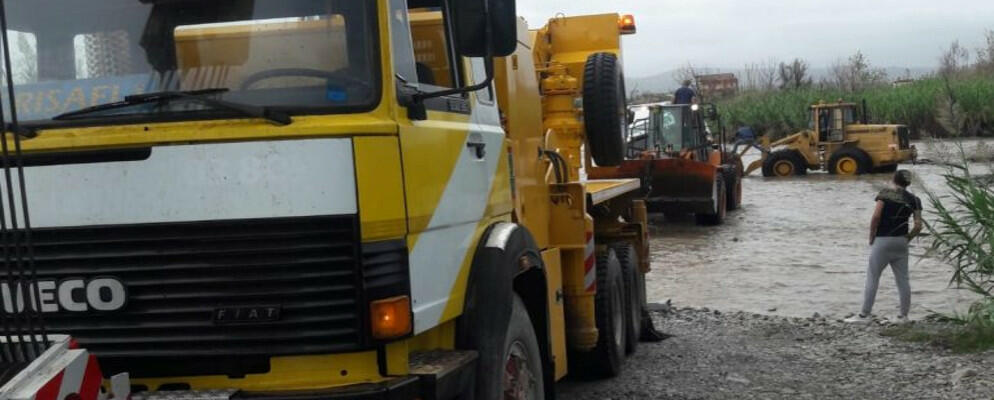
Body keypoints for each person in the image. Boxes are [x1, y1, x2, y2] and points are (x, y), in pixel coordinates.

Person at [845, 170, 923, 324]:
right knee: (903, 279)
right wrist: (908, 238)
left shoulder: (885, 194)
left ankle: (864, 315)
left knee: (873, 277)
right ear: (909, 182)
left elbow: (876, 217)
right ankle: (903, 316)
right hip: (901, 241)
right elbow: (918, 225)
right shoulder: (915, 199)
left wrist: (871, 236)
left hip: (883, 240)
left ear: (894, 179)